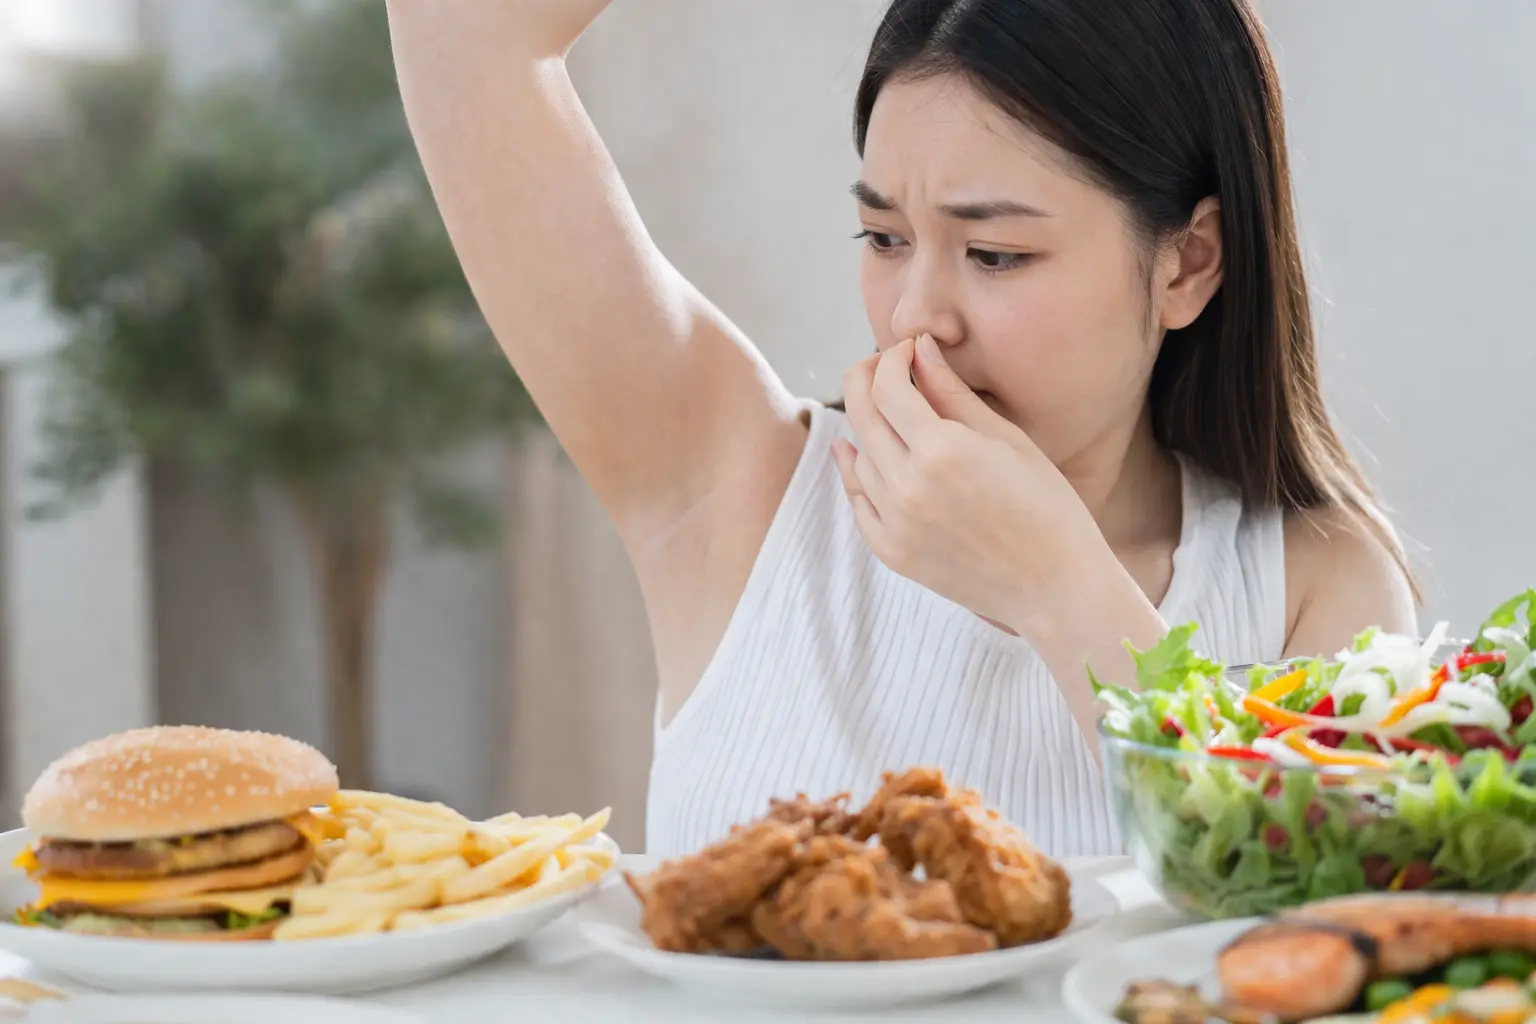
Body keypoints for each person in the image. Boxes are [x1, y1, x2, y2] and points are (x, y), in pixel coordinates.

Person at [384, 0, 1417, 857]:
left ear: (1188, 263)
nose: (918, 315)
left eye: (996, 254)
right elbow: (458, 28)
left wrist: (1058, 587)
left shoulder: (1316, 582)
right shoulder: (735, 487)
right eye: (883, 236)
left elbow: (1324, 915)